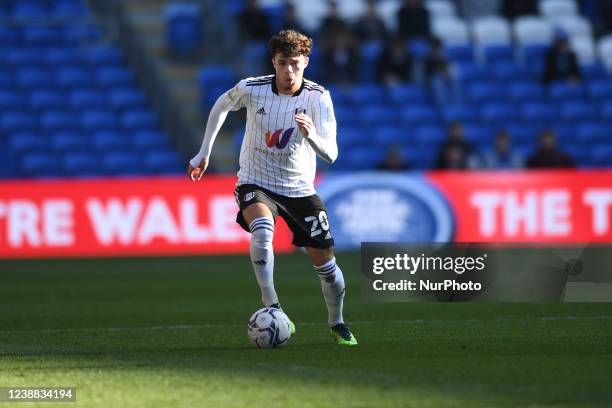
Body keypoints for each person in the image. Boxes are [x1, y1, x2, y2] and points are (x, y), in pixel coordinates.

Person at [188, 30, 358, 346]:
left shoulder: (318, 97)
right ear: (274, 63)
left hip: (299, 189)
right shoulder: (253, 89)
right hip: (256, 180)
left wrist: (311, 136)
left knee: (327, 266)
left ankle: (338, 323)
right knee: (263, 230)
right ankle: (273, 305)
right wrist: (204, 152)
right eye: (283, 63)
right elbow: (221, 106)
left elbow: (332, 154)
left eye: (295, 63)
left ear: (305, 62)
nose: (289, 71)